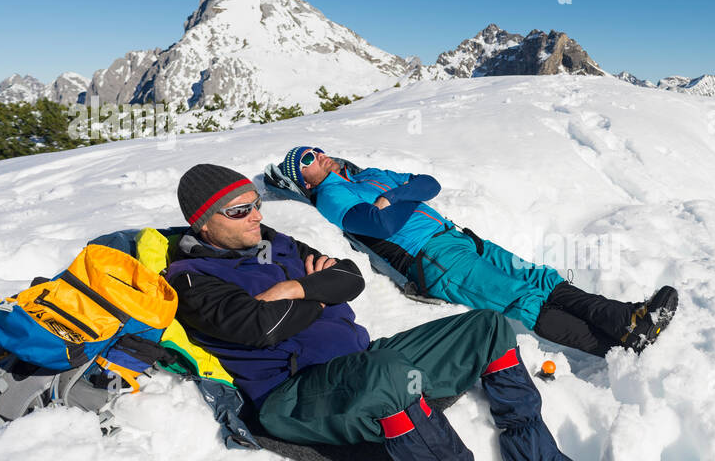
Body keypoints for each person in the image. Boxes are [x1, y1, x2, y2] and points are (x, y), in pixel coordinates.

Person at [164, 164, 603, 461]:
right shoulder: (190, 277)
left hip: (362, 365)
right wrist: (320, 291)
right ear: (203, 223)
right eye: (239, 210)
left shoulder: (276, 242)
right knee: (386, 376)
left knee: (486, 327)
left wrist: (297, 288)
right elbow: (262, 327)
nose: (255, 215)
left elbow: (350, 278)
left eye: (256, 202)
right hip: (294, 396)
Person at [274, 146, 678, 356]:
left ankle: (625, 318)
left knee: (540, 276)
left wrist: (394, 196)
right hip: (433, 259)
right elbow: (383, 225)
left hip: (459, 238)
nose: (316, 155)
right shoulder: (331, 196)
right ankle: (616, 348)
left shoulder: (370, 175)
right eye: (306, 160)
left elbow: (428, 183)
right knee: (521, 297)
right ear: (304, 181)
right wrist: (398, 201)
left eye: (313, 149)